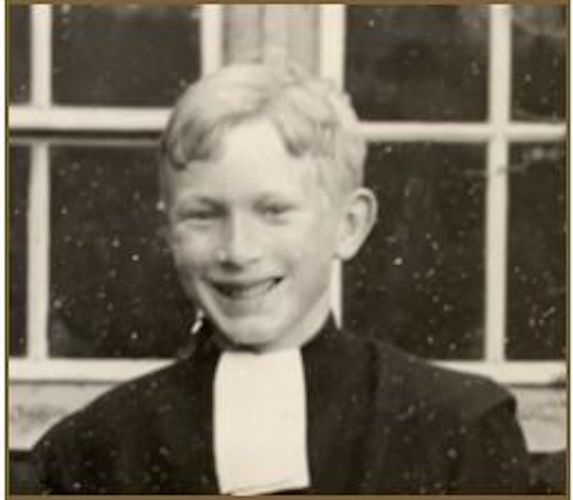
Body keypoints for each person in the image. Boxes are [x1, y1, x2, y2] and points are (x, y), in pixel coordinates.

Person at [28, 62, 530, 494]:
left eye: (274, 211)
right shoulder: (91, 451)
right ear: (169, 230)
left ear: (349, 225)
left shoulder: (457, 428)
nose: (238, 250)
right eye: (203, 215)